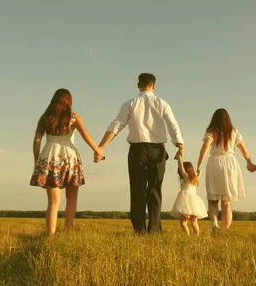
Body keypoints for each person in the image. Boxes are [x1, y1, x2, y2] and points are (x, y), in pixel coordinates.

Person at [97, 73, 184, 234]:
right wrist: (179, 144)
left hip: (137, 150)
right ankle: (154, 229)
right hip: (157, 149)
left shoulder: (129, 104)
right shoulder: (162, 103)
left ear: (138, 85)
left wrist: (101, 147)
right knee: (155, 189)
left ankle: (139, 230)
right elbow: (173, 124)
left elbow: (117, 125)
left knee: (137, 190)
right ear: (154, 85)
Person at [30, 88, 104, 235]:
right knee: (71, 198)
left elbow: (37, 141)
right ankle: (68, 230)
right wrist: (98, 151)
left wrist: (37, 161)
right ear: (69, 101)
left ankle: (50, 235)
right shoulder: (74, 118)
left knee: (53, 202)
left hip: (49, 158)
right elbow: (86, 136)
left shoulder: (45, 118)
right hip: (69, 158)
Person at [196, 108, 252, 234]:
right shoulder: (234, 132)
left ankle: (214, 223)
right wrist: (249, 162)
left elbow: (204, 147)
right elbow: (244, 150)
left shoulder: (211, 131)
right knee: (226, 202)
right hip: (230, 164)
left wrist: (199, 165)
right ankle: (224, 230)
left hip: (215, 162)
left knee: (213, 199)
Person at [171, 155, 207, 236]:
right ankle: (196, 236)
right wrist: (200, 171)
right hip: (194, 203)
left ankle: (187, 236)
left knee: (183, 222)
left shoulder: (186, 177)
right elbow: (200, 174)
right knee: (194, 222)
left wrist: (179, 157)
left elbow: (181, 166)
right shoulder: (195, 179)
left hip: (186, 202)